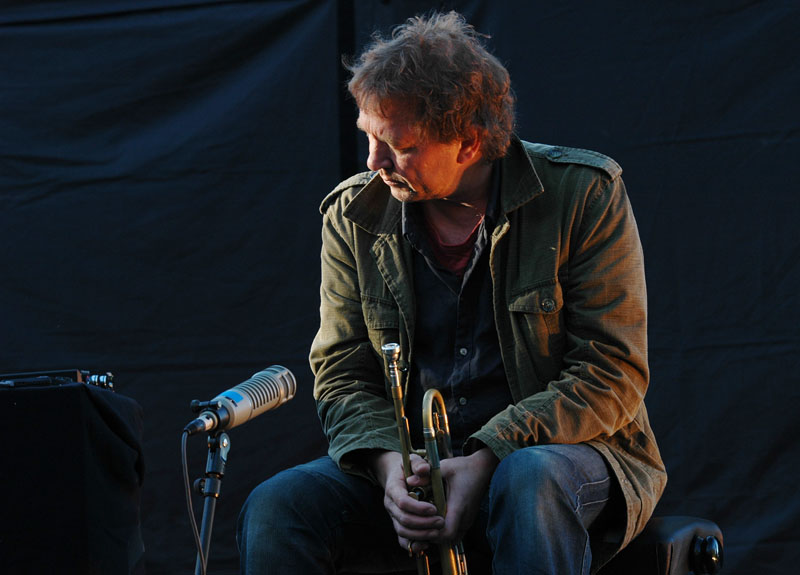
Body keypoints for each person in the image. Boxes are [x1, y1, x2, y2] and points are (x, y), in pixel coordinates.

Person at [238, 10, 666, 575]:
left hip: (564, 457)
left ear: (469, 143)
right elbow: (342, 373)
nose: (373, 162)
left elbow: (612, 372)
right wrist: (389, 468)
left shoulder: (583, 195)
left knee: (527, 477)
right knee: (278, 506)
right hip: (414, 465)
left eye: (399, 145)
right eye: (368, 135)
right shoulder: (351, 214)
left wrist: (489, 454)